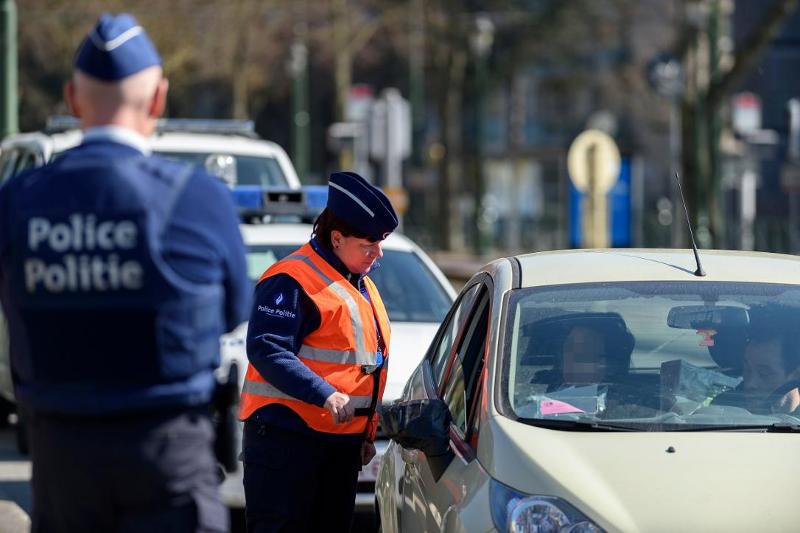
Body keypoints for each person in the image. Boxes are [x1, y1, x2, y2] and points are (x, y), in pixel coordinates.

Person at [0, 13, 251, 533]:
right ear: (158, 100)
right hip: (169, 458)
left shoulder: (17, 203)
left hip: (59, 461)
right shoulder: (200, 200)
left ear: (72, 99)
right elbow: (233, 311)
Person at [239, 171, 398, 533]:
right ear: (337, 238)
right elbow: (267, 347)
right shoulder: (291, 279)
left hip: (337, 444)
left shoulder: (360, 283)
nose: (378, 253)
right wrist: (323, 394)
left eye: (381, 242)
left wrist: (365, 433)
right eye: (369, 244)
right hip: (287, 441)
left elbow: (362, 365)